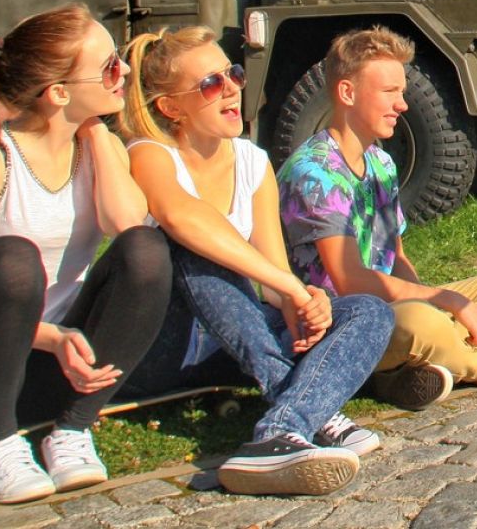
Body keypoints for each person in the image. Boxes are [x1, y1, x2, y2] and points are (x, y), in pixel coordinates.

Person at [0, 5, 171, 504]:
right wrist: (51, 337)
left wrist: (91, 130)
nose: (127, 72)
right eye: (111, 66)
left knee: (146, 250)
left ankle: (71, 430)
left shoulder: (98, 146)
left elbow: (126, 227)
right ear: (58, 94)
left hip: (54, 376)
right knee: (13, 258)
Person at [118, 27, 393, 497]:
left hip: (236, 343)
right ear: (170, 108)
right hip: (166, 345)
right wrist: (287, 287)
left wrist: (304, 303)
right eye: (210, 84)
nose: (230, 89)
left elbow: (272, 274)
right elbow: (183, 219)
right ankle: (307, 413)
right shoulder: (149, 154)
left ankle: (282, 428)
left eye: (234, 75)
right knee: (195, 245)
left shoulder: (251, 160)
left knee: (369, 310)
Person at [278, 27, 477, 412]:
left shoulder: (381, 163)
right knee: (422, 323)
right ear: (347, 93)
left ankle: (421, 363)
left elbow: (396, 258)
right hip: (342, 324)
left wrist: (439, 304)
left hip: (390, 308)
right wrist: (442, 302)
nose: (402, 104)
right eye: (390, 92)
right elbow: (350, 281)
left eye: (402, 92)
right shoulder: (316, 173)